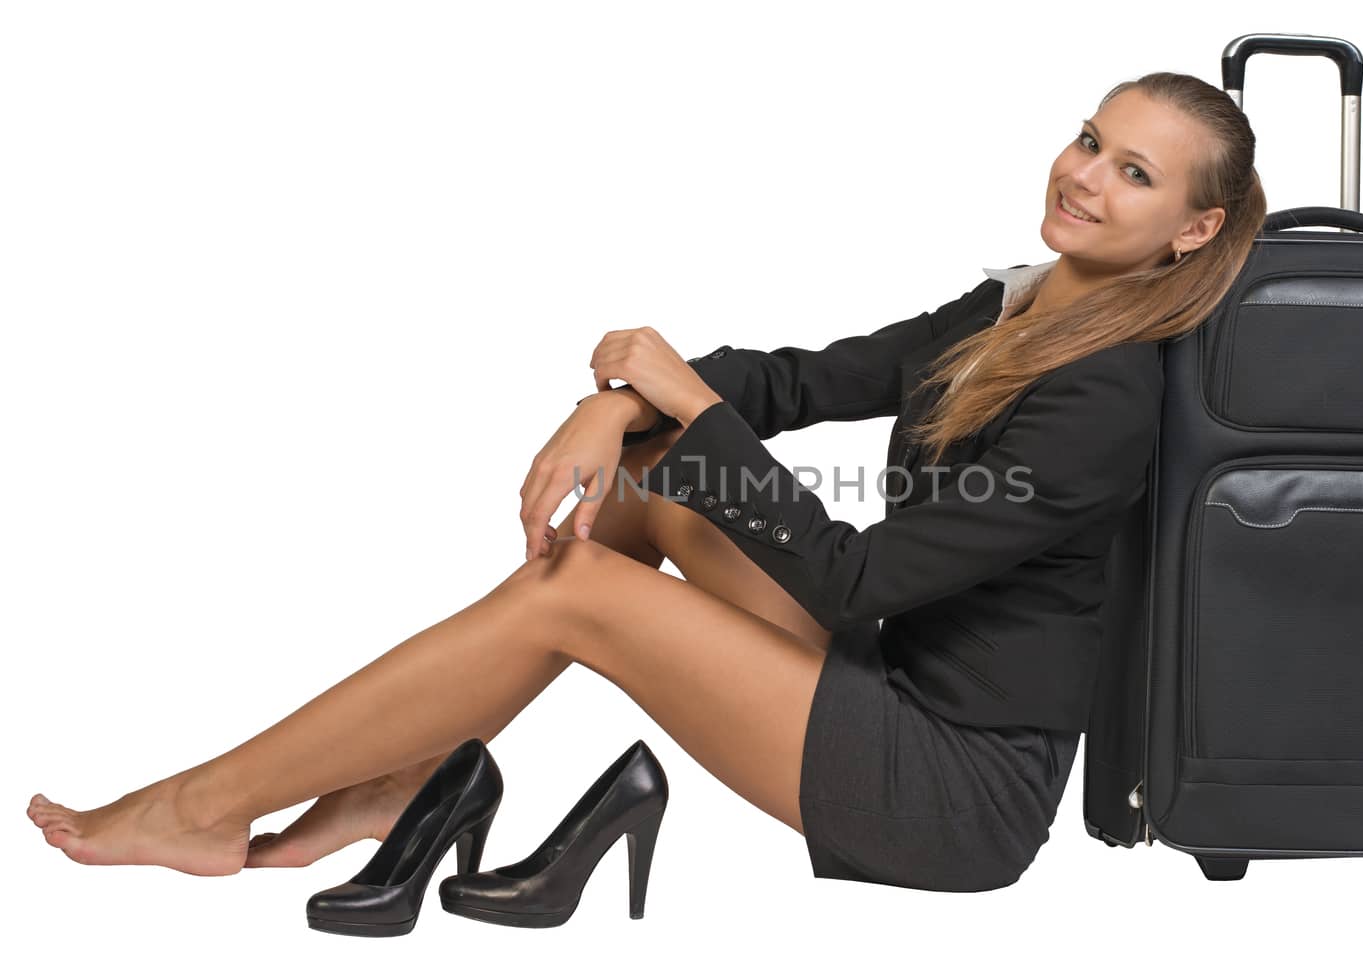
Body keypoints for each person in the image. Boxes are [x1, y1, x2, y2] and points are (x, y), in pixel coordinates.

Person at [26, 71, 1265, 889]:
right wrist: (617, 404)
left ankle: (207, 802)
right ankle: (408, 775)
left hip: (951, 786)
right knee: (656, 476)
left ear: (1191, 232)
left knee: (592, 587)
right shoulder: (1026, 300)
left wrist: (687, 401)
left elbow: (856, 572)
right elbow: (801, 378)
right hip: (896, 676)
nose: (1084, 176)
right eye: (1091, 139)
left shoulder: (1108, 391)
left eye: (1134, 176)